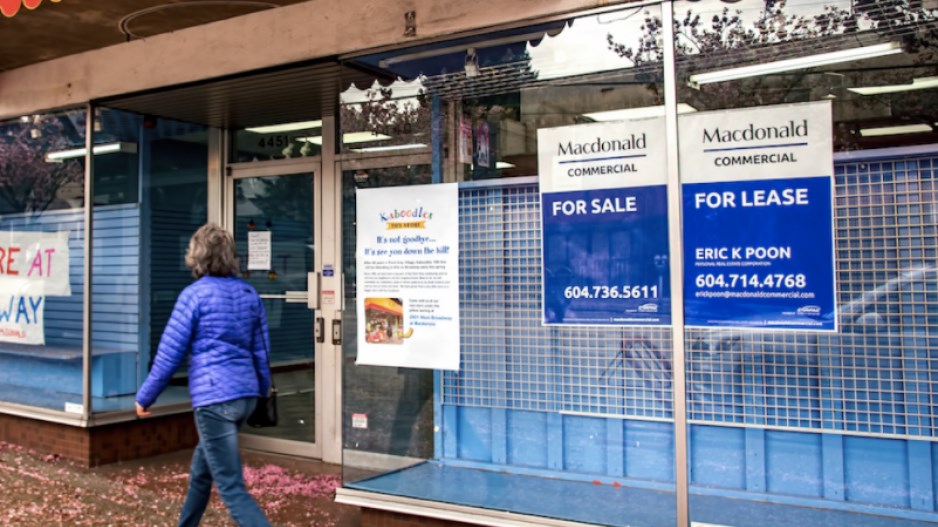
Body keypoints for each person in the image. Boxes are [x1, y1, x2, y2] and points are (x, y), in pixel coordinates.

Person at [135, 223, 272, 527]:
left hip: (215, 400)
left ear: (197, 257)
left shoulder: (193, 296)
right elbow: (262, 352)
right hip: (244, 397)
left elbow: (169, 353)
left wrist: (145, 397)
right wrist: (261, 392)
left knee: (232, 488)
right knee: (201, 473)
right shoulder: (250, 293)